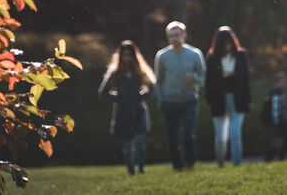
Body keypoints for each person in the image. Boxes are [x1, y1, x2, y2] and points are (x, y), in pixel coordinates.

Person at [98, 40, 156, 175]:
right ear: (120, 56)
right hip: (123, 112)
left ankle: (141, 168)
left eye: (129, 55)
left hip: (138, 110)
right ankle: (131, 171)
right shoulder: (115, 72)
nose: (127, 58)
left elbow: (152, 88)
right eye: (124, 55)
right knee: (128, 145)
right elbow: (103, 91)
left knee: (140, 141)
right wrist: (118, 98)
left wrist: (140, 96)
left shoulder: (140, 70)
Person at [154, 21, 206, 171]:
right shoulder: (162, 56)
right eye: (171, 36)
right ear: (167, 37)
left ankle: (190, 164)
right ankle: (177, 166)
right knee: (172, 138)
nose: (174, 39)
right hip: (169, 102)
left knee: (189, 135)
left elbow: (204, 79)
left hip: (189, 100)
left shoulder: (195, 54)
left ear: (184, 35)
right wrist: (162, 101)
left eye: (177, 35)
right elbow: (159, 81)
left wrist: (195, 79)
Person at [204, 26, 251, 167]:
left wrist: (248, 100)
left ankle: (237, 164)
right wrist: (210, 100)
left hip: (238, 98)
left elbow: (246, 79)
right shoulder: (212, 58)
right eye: (224, 44)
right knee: (220, 136)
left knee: (235, 133)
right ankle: (220, 164)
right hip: (219, 99)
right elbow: (209, 81)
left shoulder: (241, 55)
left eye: (229, 43)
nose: (228, 47)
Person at [264, 71, 287, 162]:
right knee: (278, 142)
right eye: (283, 81)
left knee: (281, 141)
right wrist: (276, 123)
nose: (284, 83)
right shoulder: (276, 93)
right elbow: (275, 109)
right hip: (280, 122)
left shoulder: (280, 92)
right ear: (277, 82)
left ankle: (277, 158)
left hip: (282, 121)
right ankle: (272, 158)